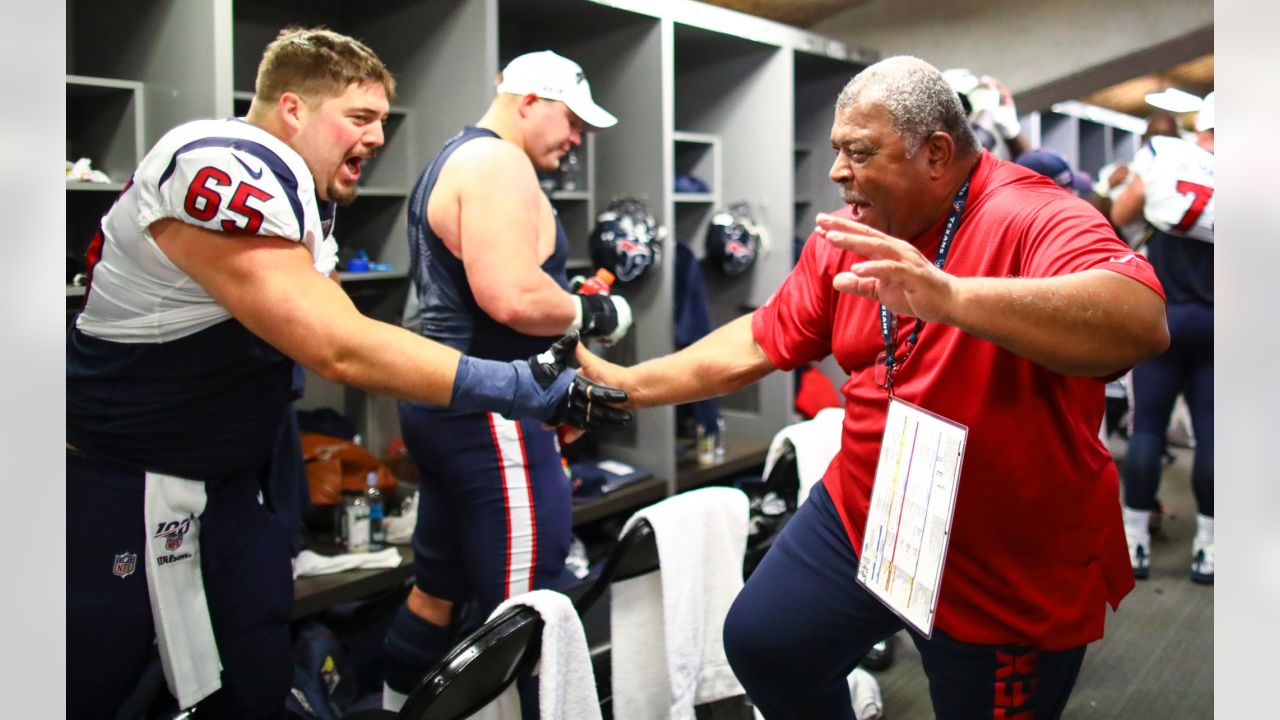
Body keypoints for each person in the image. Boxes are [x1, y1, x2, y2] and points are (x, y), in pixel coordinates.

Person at [577, 56, 1169, 719]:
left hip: (1001, 547)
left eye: (858, 152)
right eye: (836, 150)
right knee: (767, 644)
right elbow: (759, 338)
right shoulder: (854, 231)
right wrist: (627, 386)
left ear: (937, 154)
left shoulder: (1032, 212)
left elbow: (1140, 322)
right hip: (870, 507)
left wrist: (953, 298)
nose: (836, 171)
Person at [66, 28, 629, 720]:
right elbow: (338, 350)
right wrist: (522, 388)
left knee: (257, 677)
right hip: (125, 482)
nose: (377, 138)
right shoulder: (219, 162)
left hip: (226, 485)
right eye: (359, 119)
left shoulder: (302, 193)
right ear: (294, 109)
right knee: (102, 685)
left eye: (382, 122)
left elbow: (354, 333)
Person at [381, 50, 630, 709]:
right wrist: (596, 310)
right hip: (491, 412)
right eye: (571, 120)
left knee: (438, 589)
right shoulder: (497, 161)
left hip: (445, 403)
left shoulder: (456, 156)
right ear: (529, 101)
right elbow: (511, 298)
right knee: (529, 606)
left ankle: (389, 705)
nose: (576, 138)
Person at [1110, 92, 1215, 584]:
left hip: (1164, 317)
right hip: (1221, 321)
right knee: (1214, 432)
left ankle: (1135, 544)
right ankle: (1208, 549)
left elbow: (1120, 213)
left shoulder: (1169, 160)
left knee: (1147, 427)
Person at [1090, 110, 1181, 245]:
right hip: (1130, 251)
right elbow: (1096, 217)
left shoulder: (1186, 176)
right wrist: (1108, 186)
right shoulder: (1122, 172)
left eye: (1167, 135)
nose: (1160, 140)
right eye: (1155, 134)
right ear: (1145, 138)